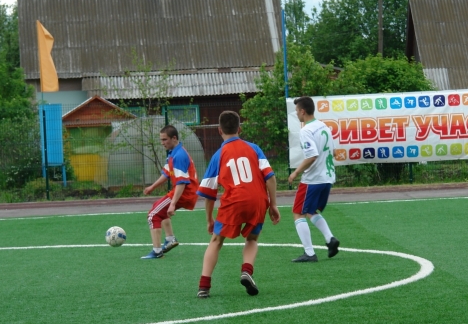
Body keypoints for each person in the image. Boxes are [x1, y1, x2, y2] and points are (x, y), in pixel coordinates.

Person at [195, 111, 280, 298]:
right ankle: (246, 271)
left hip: (234, 200)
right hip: (258, 200)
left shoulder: (218, 155)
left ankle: (204, 286)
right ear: (239, 129)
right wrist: (273, 204)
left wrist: (209, 219)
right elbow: (270, 177)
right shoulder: (254, 148)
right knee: (252, 239)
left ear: (219, 130)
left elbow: (209, 193)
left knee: (216, 241)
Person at [288, 96, 340, 262]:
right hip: (327, 177)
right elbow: (333, 152)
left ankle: (309, 253)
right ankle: (330, 239)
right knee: (311, 211)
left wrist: (295, 173)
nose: (296, 114)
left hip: (313, 179)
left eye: (297, 111)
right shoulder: (323, 126)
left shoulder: (306, 130)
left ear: (303, 111)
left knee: (298, 213)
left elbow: (312, 156)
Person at [141, 125, 198, 259]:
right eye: (161, 140)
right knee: (157, 207)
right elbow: (166, 173)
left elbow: (181, 182)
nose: (162, 143)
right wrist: (152, 187)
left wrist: (173, 203)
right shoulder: (173, 152)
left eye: (164, 139)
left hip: (184, 192)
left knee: (153, 215)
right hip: (183, 191)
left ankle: (157, 251)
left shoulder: (179, 156)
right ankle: (170, 239)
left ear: (174, 138)